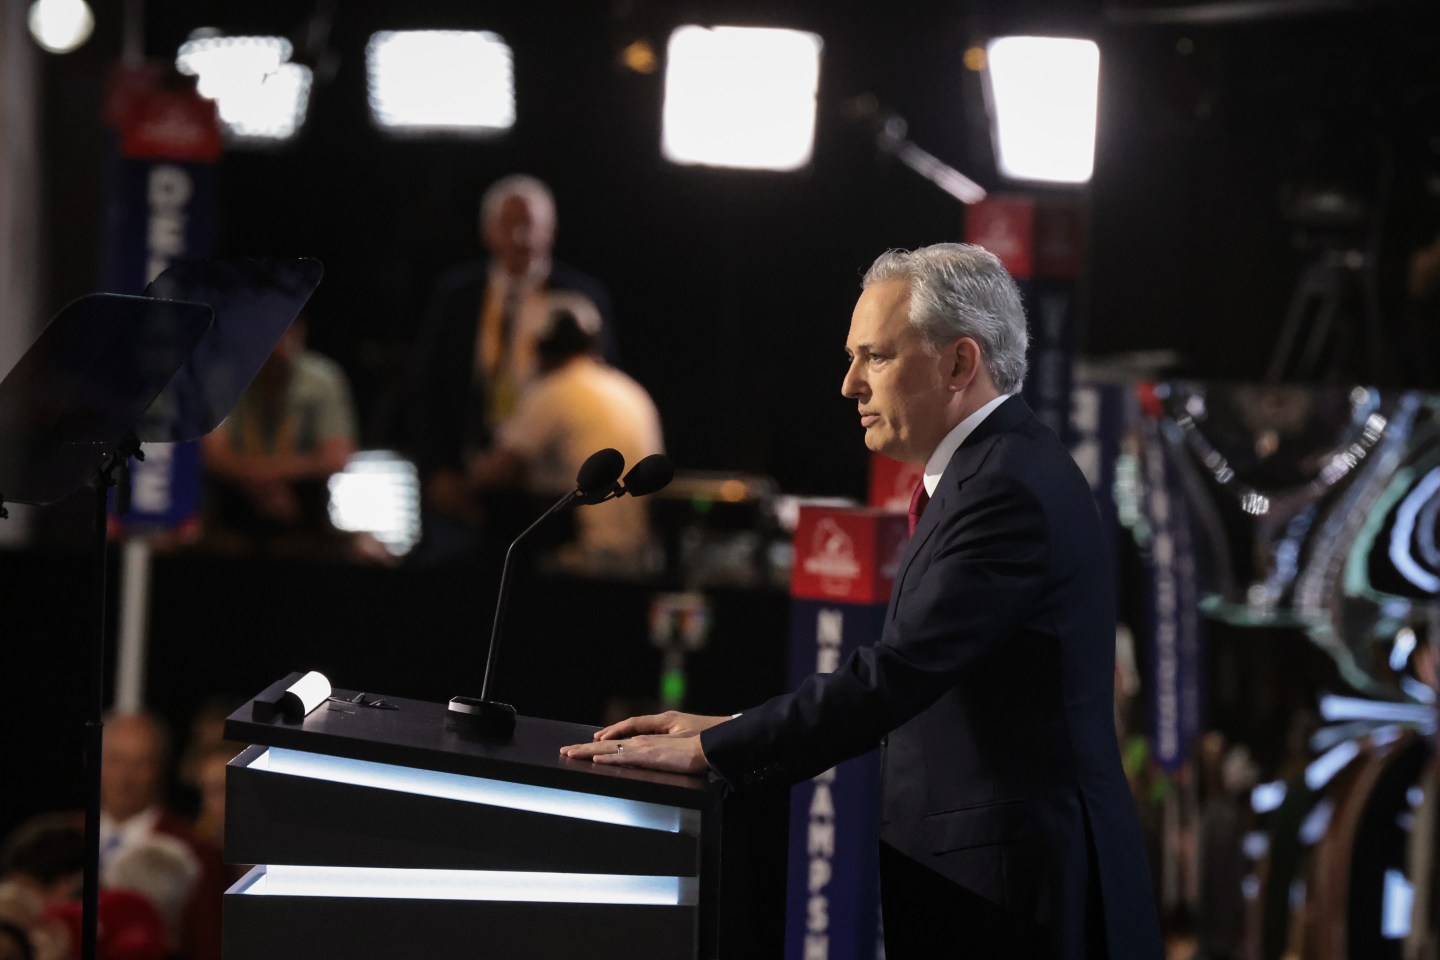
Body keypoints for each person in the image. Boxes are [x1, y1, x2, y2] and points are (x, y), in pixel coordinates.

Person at [562, 244, 1162, 958]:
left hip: (1023, 896)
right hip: (996, 881)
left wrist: (718, 750)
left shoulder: (1007, 491)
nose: (849, 384)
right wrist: (731, 724)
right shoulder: (993, 468)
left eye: (875, 356)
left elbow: (896, 675)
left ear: (959, 364)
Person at [401, 174, 616, 529]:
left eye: (529, 225)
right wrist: (436, 470)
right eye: (507, 224)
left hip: (550, 486)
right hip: (465, 478)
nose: (518, 238)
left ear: (551, 230)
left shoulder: (582, 298)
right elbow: (426, 388)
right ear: (487, 231)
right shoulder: (456, 296)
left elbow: (600, 387)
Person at [470, 294, 664, 573]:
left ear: (538, 346)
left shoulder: (555, 392)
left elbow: (495, 473)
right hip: (643, 560)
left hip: (582, 560)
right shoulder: (630, 392)